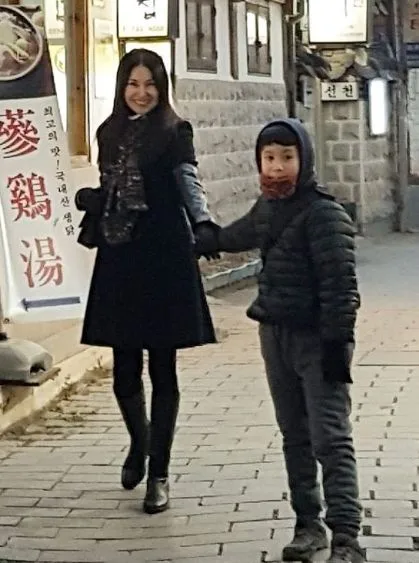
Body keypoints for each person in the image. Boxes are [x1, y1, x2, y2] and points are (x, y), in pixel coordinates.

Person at [195, 118, 364, 563]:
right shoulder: (268, 208)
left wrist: (336, 347)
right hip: (275, 335)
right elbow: (237, 235)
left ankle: (347, 538)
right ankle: (308, 526)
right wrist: (203, 237)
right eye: (269, 158)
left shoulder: (325, 214)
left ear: (304, 159)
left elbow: (341, 287)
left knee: (330, 438)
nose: (276, 167)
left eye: (287, 157)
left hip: (318, 342)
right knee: (294, 435)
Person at [75, 48, 219, 514]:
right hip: (120, 253)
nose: (141, 93)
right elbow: (110, 185)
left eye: (150, 84)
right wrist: (94, 197)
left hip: (164, 254)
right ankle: (140, 443)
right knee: (123, 370)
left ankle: (159, 472)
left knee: (163, 368)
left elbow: (188, 180)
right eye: (133, 84)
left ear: (162, 87)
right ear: (122, 86)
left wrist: (203, 223)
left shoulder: (175, 131)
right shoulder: (108, 132)